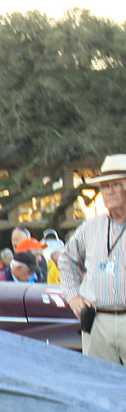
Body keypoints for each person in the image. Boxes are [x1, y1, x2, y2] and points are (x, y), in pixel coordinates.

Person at [56, 156, 126, 364]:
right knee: (98, 388)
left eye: (116, 185)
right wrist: (73, 296)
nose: (109, 192)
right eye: (104, 187)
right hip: (98, 322)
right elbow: (66, 259)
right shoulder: (91, 227)